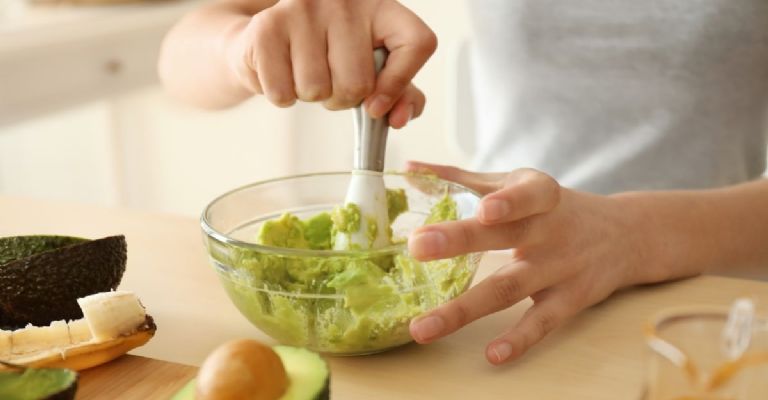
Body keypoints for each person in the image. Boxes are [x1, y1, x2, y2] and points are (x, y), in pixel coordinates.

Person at [158, 0, 768, 365]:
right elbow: (181, 56)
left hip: (715, 301)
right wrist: (242, 48)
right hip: (495, 292)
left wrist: (631, 235)